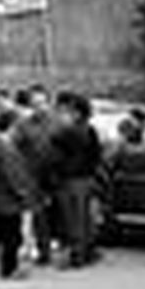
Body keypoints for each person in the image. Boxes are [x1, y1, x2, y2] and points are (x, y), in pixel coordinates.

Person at [49, 93, 102, 269]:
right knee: (85, 219)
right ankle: (87, 253)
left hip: (71, 181)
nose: (66, 114)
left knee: (73, 220)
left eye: (70, 111)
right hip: (87, 179)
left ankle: (77, 256)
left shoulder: (68, 132)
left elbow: (54, 148)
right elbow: (97, 156)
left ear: (77, 113)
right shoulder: (91, 130)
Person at [0, 109, 40, 279]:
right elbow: (12, 175)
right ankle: (9, 268)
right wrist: (23, 193)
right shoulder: (5, 147)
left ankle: (9, 267)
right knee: (13, 235)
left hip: (3, 195)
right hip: (9, 198)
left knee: (11, 233)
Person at [14, 86, 57, 265]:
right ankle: (44, 251)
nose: (38, 107)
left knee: (59, 213)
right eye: (34, 104)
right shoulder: (24, 124)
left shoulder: (57, 123)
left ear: (48, 103)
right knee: (39, 216)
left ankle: (68, 249)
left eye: (41, 103)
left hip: (56, 174)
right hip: (32, 175)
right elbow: (16, 147)